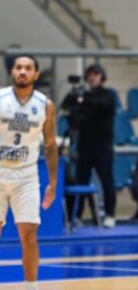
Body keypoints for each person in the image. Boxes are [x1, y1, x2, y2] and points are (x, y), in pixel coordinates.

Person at [0, 55, 58, 290]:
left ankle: (31, 287)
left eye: (28, 68)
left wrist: (53, 182)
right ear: (11, 72)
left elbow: (50, 145)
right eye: (18, 67)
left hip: (26, 177)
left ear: (36, 74)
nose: (22, 71)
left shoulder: (45, 105)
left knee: (29, 235)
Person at [61, 63, 116, 228]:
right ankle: (76, 216)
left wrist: (83, 99)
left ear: (102, 77)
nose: (92, 77)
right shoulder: (84, 96)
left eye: (96, 74)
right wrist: (76, 96)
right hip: (84, 147)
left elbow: (102, 104)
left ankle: (110, 215)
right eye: (90, 75)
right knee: (81, 182)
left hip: (102, 147)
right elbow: (66, 105)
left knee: (107, 181)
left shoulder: (107, 95)